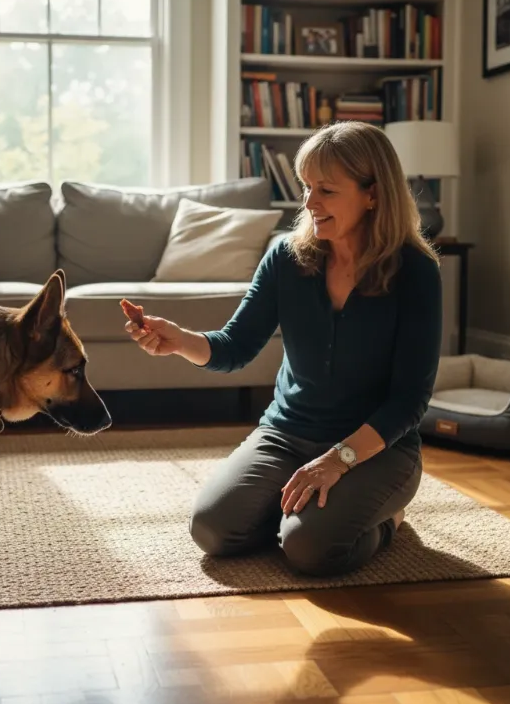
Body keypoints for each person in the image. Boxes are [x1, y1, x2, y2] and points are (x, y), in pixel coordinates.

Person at [124, 121, 443, 578]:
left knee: (310, 549)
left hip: (374, 448)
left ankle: (389, 521)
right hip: (286, 435)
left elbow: (410, 401)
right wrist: (178, 340)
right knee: (212, 530)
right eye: (306, 187)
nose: (310, 202)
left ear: (372, 194)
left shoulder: (416, 271)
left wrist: (337, 461)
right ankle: (298, 513)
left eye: (327, 190)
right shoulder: (286, 258)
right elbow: (234, 347)